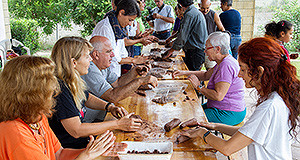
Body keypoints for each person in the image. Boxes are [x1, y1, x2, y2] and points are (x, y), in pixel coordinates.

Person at [180, 37, 300, 159]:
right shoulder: (276, 97)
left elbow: (227, 148)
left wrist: (201, 132)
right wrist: (214, 126)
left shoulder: (269, 106)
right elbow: (247, 132)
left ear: (259, 71)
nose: (239, 74)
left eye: (242, 69)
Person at [0, 56, 116, 160]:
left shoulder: (37, 117)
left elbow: (59, 154)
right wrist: (87, 155)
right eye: (50, 81)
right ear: (32, 92)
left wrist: (98, 150)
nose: (55, 88)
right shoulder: (14, 132)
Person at [49, 37, 142, 149]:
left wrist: (109, 107)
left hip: (85, 142)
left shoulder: (72, 80)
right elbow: (76, 130)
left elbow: (87, 97)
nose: (91, 60)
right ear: (74, 62)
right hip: (73, 149)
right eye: (87, 56)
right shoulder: (61, 89)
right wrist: (117, 124)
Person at [173, 32, 245, 125]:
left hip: (228, 112)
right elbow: (206, 75)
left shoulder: (226, 65)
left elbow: (218, 96)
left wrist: (199, 87)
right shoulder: (223, 61)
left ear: (217, 49)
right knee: (188, 110)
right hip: (221, 107)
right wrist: (184, 72)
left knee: (188, 118)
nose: (205, 51)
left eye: (207, 48)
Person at [81, 36, 158, 123]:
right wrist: (140, 81)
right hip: (92, 122)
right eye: (108, 51)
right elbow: (112, 96)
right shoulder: (90, 70)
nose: (113, 55)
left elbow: (118, 83)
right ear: (96, 54)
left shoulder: (103, 66)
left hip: (105, 114)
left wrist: (134, 72)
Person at [92, 0, 153, 77]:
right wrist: (134, 60)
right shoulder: (105, 28)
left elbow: (121, 52)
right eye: (130, 20)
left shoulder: (117, 28)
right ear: (121, 13)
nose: (130, 24)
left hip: (113, 73)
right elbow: (113, 57)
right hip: (103, 75)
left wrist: (135, 59)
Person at [163, 0, 208, 71]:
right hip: (196, 51)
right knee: (192, 74)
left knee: (193, 76)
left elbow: (182, 37)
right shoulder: (194, 12)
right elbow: (181, 32)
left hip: (195, 52)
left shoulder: (190, 14)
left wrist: (171, 50)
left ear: (180, 5)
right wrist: (171, 37)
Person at [199, 0, 225, 70]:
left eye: (207, 8)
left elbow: (221, 28)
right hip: (199, 46)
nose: (205, 10)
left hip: (210, 46)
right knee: (198, 67)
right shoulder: (197, 14)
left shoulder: (214, 14)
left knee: (210, 68)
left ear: (210, 5)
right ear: (199, 5)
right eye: (203, 8)